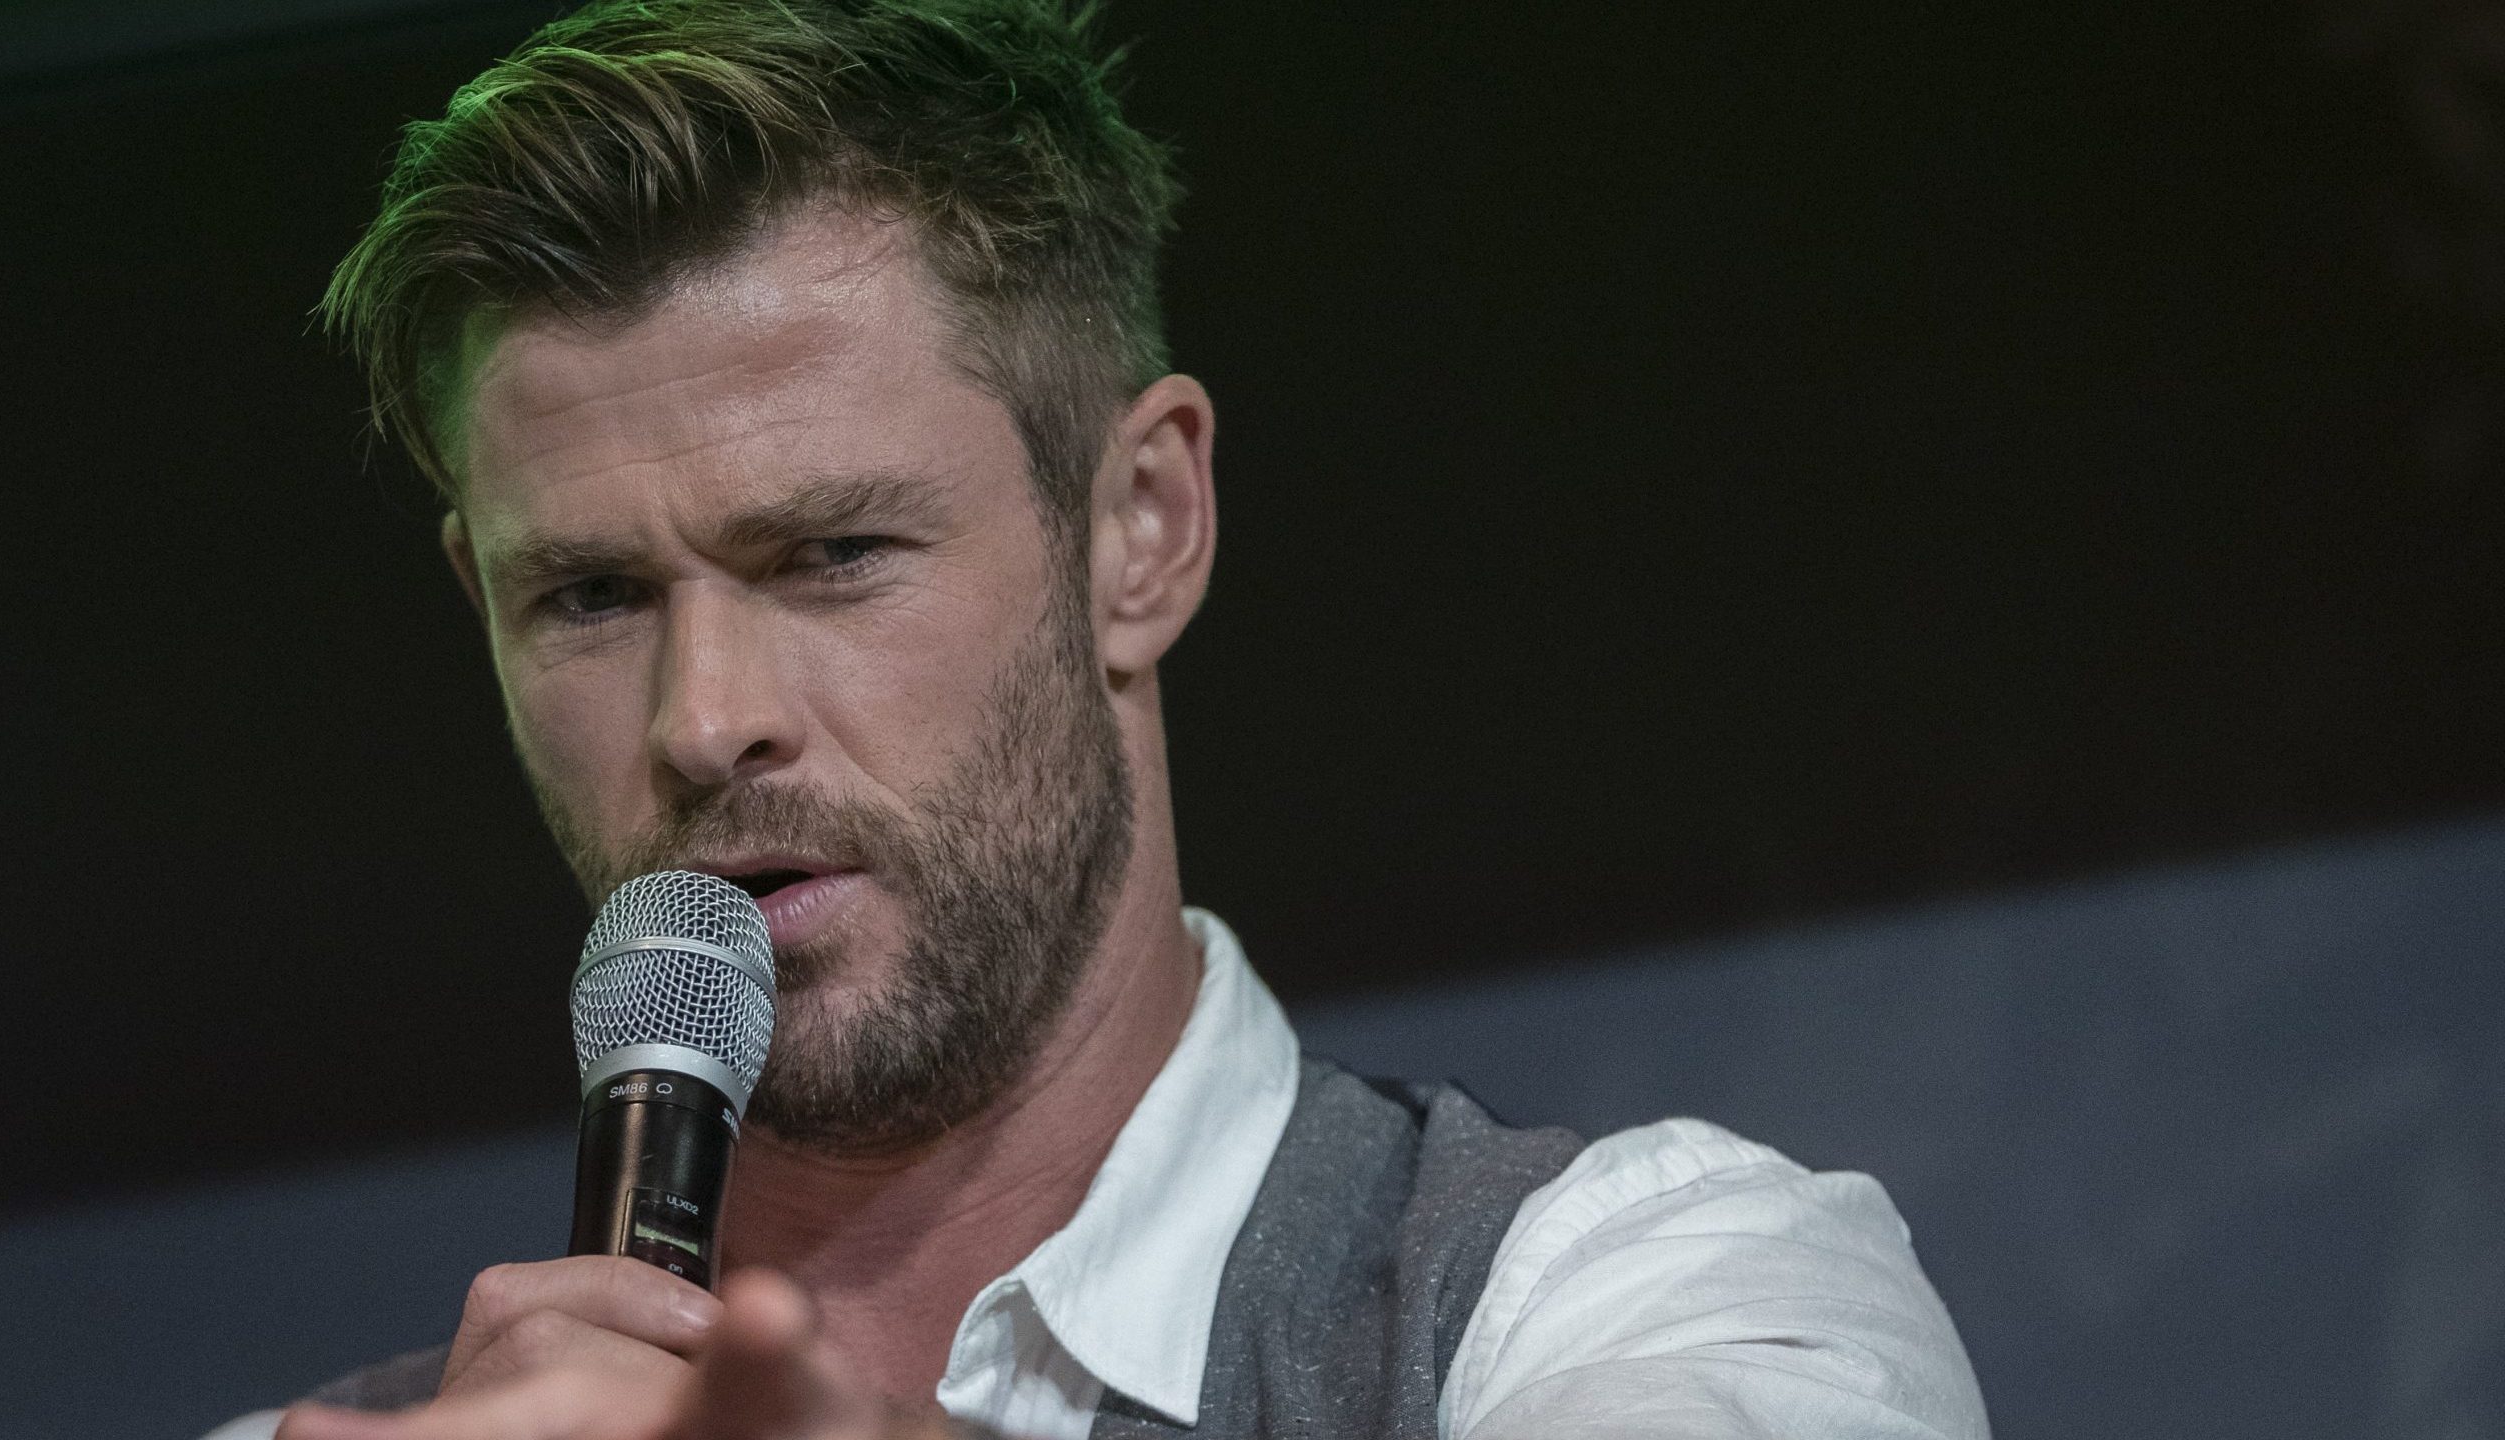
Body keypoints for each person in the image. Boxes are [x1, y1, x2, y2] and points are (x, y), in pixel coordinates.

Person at [207, 2, 1988, 1436]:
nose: (705, 723)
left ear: (1143, 527)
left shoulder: (1658, 1285)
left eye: (833, 552)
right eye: (590, 599)